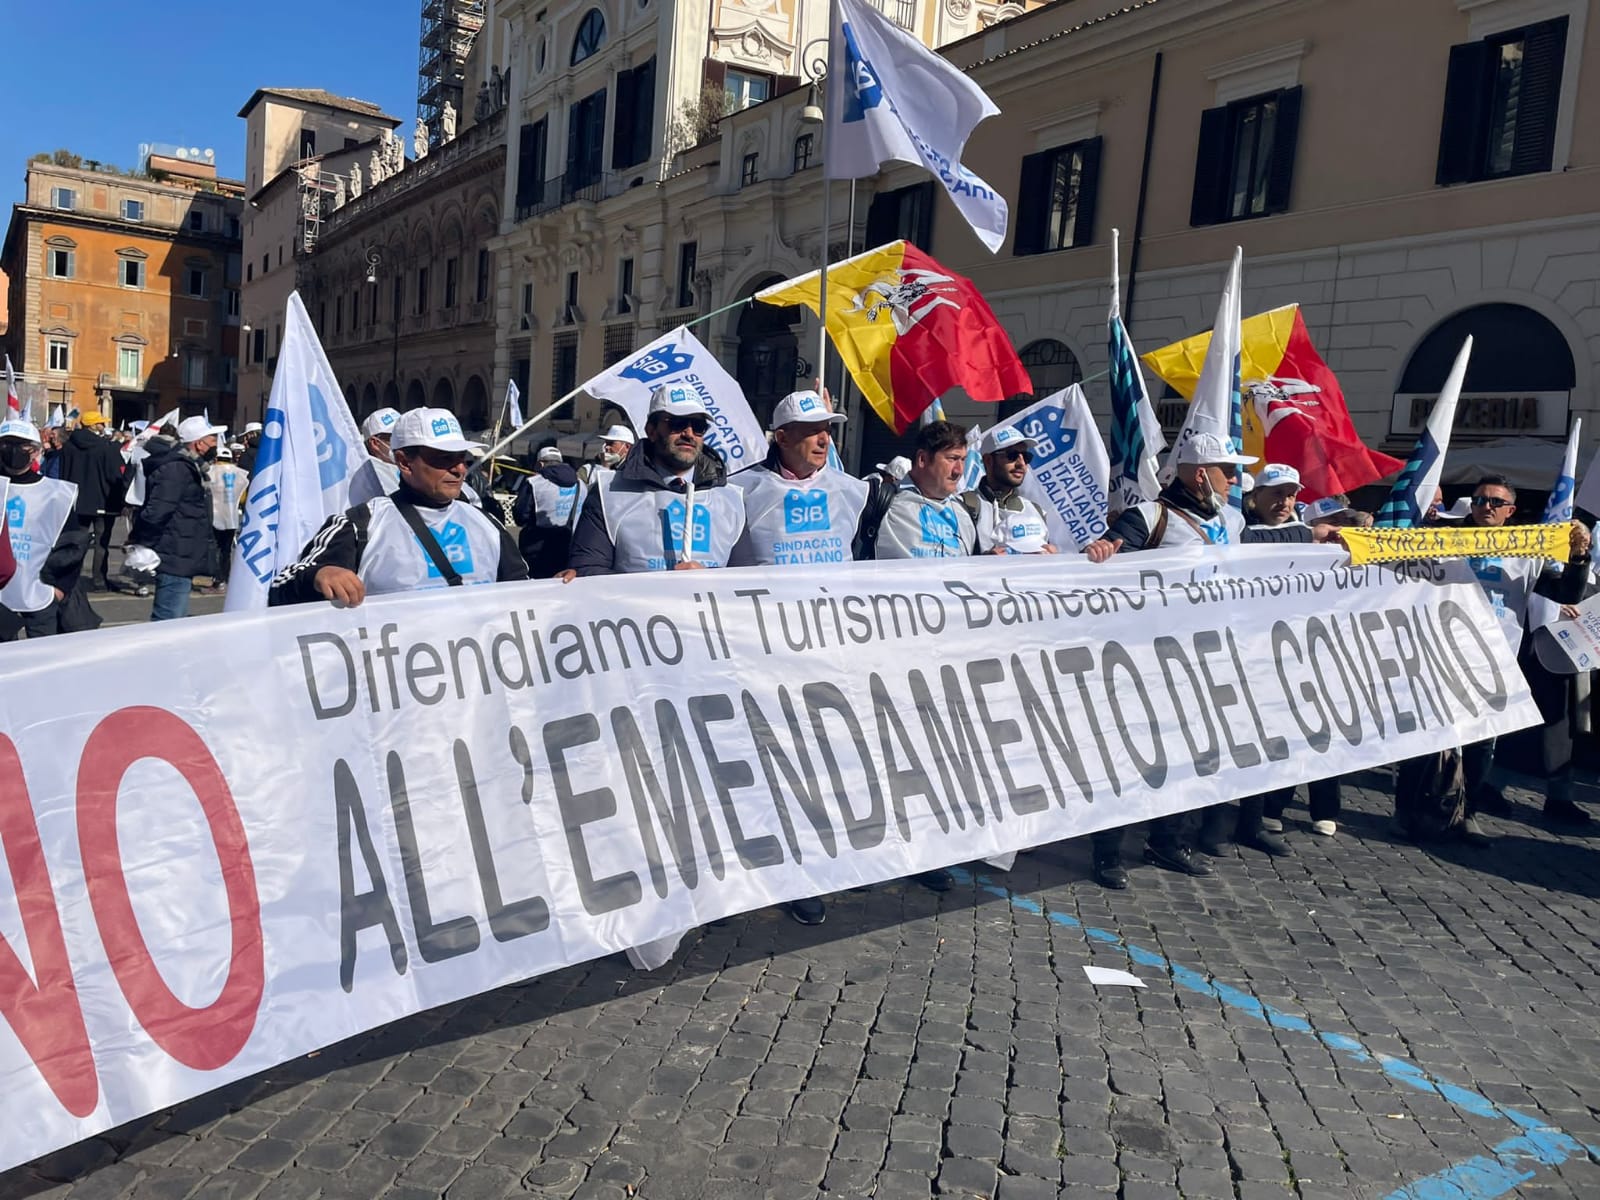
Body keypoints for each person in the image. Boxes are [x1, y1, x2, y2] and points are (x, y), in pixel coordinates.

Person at [1081, 431, 1255, 888]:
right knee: (1127, 756)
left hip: (1204, 661)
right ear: (1202, 475)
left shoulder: (1233, 522)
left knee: (1186, 755)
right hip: (1145, 664)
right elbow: (1108, 573)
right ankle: (1107, 851)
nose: (1235, 480)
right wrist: (1098, 556)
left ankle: (1167, 839)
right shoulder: (1148, 517)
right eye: (1227, 471)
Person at [732, 389, 869, 925]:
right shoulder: (740, 492)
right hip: (761, 656)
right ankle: (753, 868)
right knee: (763, 767)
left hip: (828, 655)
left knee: (820, 766)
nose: (823, 439)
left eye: (829, 429)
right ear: (780, 436)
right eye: (811, 430)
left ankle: (805, 870)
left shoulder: (852, 492)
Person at [1433, 475, 1592, 842]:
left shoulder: (1527, 551)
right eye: (1478, 500)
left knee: (1481, 742)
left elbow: (1566, 590)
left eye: (1494, 502)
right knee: (1437, 738)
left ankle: (1467, 811)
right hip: (1443, 650)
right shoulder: (1444, 539)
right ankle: (1420, 810)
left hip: (1497, 660)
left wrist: (1579, 556)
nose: (1485, 507)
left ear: (1510, 511)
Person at [269, 408, 528, 606]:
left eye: (461, 458)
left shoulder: (486, 523)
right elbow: (281, 587)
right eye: (443, 458)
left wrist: (562, 588)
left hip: (473, 671)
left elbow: (525, 594)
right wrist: (320, 574)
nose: (459, 468)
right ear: (404, 462)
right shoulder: (363, 523)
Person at [568, 385, 753, 575]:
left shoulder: (731, 499)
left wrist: (709, 580)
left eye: (698, 427)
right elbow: (588, 572)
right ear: (652, 431)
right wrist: (663, 588)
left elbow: (745, 579)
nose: (689, 434)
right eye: (677, 423)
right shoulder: (609, 491)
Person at [0, 419, 88, 641]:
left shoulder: (57, 493)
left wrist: (59, 588)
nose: (12, 452)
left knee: (42, 659)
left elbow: (73, 544)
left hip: (40, 591)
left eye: (21, 446)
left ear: (36, 451)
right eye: (5, 445)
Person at [131, 416, 222, 621]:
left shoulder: (187, 466)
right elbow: (158, 509)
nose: (215, 444)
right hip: (175, 550)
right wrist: (143, 542)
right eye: (212, 440)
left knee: (173, 616)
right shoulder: (178, 468)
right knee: (168, 618)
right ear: (199, 443)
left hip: (181, 548)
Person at [865, 421, 978, 562]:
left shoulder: (964, 512)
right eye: (952, 459)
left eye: (962, 460)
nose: (959, 471)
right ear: (922, 459)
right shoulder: (882, 501)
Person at [57, 411, 129, 592]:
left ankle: (72, 578)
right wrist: (122, 499)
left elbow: (63, 473)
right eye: (101, 423)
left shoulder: (68, 446)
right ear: (92, 425)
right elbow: (115, 475)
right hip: (103, 501)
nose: (103, 426)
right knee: (101, 543)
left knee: (76, 542)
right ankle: (99, 580)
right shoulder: (106, 447)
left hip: (77, 500)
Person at [961, 426, 1056, 555]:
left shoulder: (1036, 511)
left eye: (1026, 457)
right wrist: (984, 562)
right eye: (1012, 455)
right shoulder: (965, 504)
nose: (1021, 463)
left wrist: (1052, 559)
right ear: (988, 460)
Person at [512, 445, 580, 577]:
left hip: (537, 548)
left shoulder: (534, 483)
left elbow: (520, 516)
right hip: (569, 544)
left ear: (540, 464)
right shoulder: (580, 483)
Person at [207, 444, 250, 586]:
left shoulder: (211, 471)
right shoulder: (240, 473)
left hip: (213, 515)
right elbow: (243, 497)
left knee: (214, 548)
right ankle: (226, 577)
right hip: (231, 516)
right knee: (226, 550)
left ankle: (216, 578)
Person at [347, 408, 402, 506]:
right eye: (396, 438)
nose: (403, 443)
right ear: (375, 443)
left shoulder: (399, 467)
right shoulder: (371, 475)